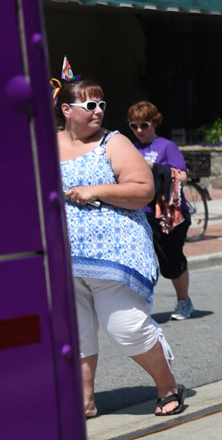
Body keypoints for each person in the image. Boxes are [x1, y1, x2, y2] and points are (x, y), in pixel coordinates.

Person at [56, 79, 182, 418]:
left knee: (126, 329)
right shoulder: (46, 145)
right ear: (67, 110)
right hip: (62, 257)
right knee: (76, 333)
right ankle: (85, 401)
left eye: (101, 105)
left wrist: (95, 190)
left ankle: (167, 384)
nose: (98, 111)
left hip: (114, 253)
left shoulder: (113, 142)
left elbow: (143, 190)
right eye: (90, 105)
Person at [128, 101, 196, 321]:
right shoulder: (131, 148)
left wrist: (152, 167)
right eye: (134, 126)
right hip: (142, 213)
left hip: (169, 214)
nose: (139, 130)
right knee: (140, 261)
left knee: (171, 263)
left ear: (154, 123)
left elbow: (183, 177)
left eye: (144, 125)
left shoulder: (166, 147)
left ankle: (184, 300)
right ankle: (139, 309)